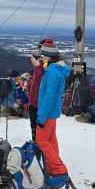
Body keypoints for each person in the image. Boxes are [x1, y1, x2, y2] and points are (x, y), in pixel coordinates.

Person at [36, 38, 71, 177]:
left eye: (42, 55)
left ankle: (59, 169)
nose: (40, 58)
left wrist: (41, 117)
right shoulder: (56, 70)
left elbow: (49, 97)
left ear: (49, 57)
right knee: (50, 140)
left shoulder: (52, 73)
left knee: (42, 141)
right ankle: (52, 169)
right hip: (52, 112)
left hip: (48, 112)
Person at [26, 39, 46, 141]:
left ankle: (38, 145)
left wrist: (37, 66)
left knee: (39, 127)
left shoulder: (45, 65)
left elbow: (43, 81)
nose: (37, 51)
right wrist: (27, 86)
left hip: (39, 103)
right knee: (33, 124)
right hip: (33, 101)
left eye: (39, 49)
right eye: (37, 49)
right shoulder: (39, 63)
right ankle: (34, 142)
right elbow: (33, 79)